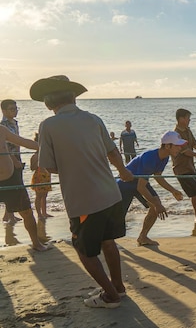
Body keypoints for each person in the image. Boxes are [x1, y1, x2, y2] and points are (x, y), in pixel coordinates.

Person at [30, 75, 134, 308]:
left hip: (84, 200)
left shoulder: (48, 125)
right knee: (109, 242)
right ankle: (118, 286)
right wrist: (124, 172)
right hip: (111, 193)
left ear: (48, 102)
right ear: (73, 97)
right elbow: (113, 154)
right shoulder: (94, 119)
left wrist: (71, 164)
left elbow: (50, 166)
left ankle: (110, 296)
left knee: (84, 250)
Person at [117, 131, 185, 246]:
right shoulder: (150, 157)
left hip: (140, 182)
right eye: (177, 146)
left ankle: (143, 237)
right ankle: (105, 240)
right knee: (118, 216)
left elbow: (158, 176)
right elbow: (141, 187)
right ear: (167, 146)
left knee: (155, 205)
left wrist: (173, 190)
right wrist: (157, 205)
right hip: (125, 183)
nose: (180, 148)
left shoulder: (165, 158)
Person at [0, 125, 49, 251]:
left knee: (26, 211)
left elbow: (23, 142)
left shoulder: (1, 129)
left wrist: (45, 147)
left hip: (11, 179)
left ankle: (36, 243)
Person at [1, 99, 23, 224]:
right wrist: (14, 160)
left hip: (17, 155)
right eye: (12, 109)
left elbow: (18, 141)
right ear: (3, 111)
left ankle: (8, 214)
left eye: (16, 109)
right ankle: (10, 215)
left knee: (16, 184)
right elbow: (7, 147)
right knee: (13, 186)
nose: (15, 111)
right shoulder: (3, 125)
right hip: (9, 158)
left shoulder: (14, 122)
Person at [30, 133, 53, 218]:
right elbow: (32, 168)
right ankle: (39, 214)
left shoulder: (46, 154)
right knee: (39, 195)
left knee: (45, 195)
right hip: (39, 176)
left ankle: (44, 212)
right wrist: (37, 162)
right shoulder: (35, 156)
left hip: (46, 175)